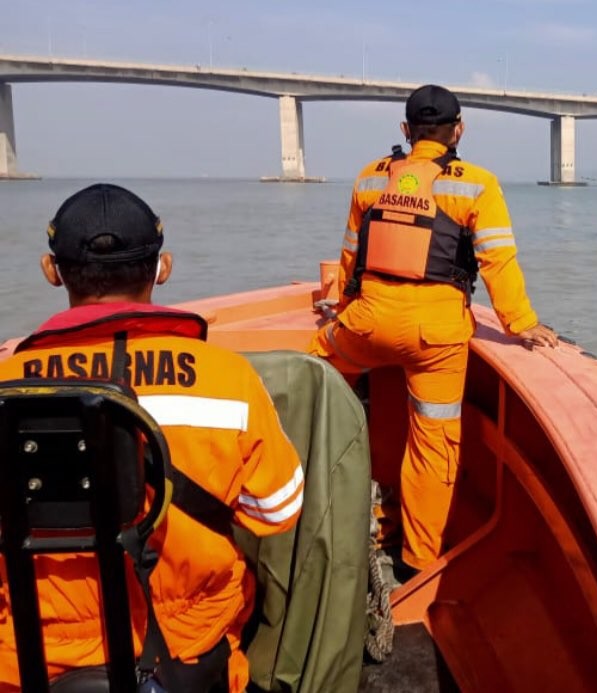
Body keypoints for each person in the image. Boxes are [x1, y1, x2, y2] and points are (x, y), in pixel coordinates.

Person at [0, 184, 304, 692]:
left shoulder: (9, 384)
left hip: (30, 657)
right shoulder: (228, 379)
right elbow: (278, 511)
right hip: (188, 648)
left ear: (51, 272)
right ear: (162, 268)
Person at [310, 85, 557, 578]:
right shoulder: (477, 184)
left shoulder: (369, 178)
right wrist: (522, 324)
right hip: (436, 337)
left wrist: (341, 312)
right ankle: (416, 564)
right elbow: (497, 262)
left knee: (314, 377)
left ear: (406, 131)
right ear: (458, 130)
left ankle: (314, 502)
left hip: (366, 322)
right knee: (433, 442)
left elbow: (350, 257)